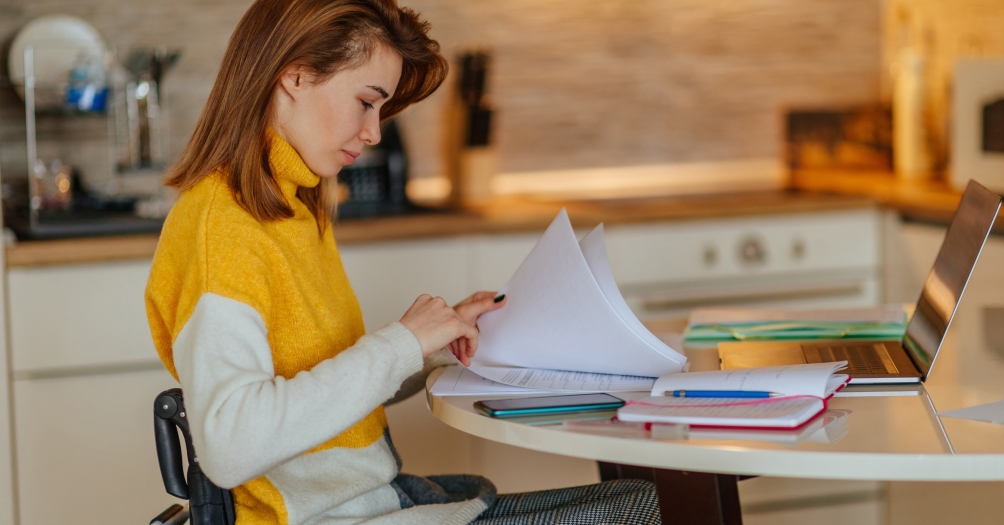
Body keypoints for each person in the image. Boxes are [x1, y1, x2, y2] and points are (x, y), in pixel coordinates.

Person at [144, 0, 660, 523]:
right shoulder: (222, 227)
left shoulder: (293, 210)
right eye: (367, 102)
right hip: (343, 516)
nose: (373, 134)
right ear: (295, 77)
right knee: (650, 508)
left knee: (651, 499)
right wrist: (403, 342)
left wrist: (433, 344)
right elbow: (231, 445)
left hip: (383, 501)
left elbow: (331, 386)